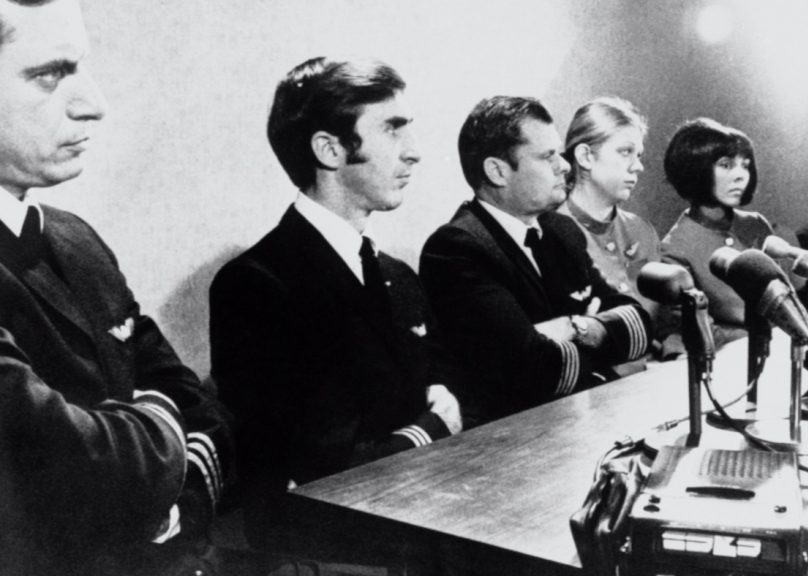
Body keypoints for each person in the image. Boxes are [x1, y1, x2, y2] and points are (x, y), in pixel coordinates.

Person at [0, 0, 229, 573]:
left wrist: (161, 492)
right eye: (50, 74)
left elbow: (199, 410)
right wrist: (155, 423)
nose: (94, 105)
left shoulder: (75, 239)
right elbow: (74, 471)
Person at [209, 57, 462, 552]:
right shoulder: (257, 286)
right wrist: (431, 428)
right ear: (328, 149)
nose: (413, 153)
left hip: (423, 515)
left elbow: (448, 384)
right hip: (333, 548)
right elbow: (319, 468)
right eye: (392, 130)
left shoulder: (395, 275)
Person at [419, 95, 651, 428]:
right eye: (547, 157)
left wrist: (574, 327)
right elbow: (533, 370)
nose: (565, 165)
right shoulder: (456, 249)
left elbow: (639, 321)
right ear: (497, 171)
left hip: (582, 421)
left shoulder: (560, 231)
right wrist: (598, 333)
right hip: (517, 441)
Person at [660, 117, 802, 345]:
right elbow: (699, 332)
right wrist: (765, 338)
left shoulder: (755, 224)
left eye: (745, 165)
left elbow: (787, 299)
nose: (740, 175)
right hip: (730, 361)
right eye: (726, 165)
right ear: (696, 169)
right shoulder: (675, 247)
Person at [559, 97, 665, 365]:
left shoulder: (641, 231)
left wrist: (675, 354)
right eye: (625, 151)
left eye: (638, 155)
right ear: (585, 156)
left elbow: (669, 319)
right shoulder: (549, 235)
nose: (638, 166)